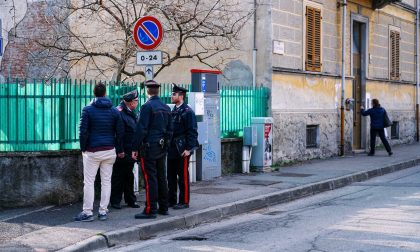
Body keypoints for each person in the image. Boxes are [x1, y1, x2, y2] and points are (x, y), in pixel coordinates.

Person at [75, 82, 124, 222]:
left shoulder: (87, 110)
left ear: (94, 93)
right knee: (106, 182)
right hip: (109, 150)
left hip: (92, 151)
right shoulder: (114, 111)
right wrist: (119, 149)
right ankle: (103, 211)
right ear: (105, 93)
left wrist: (83, 148)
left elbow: (83, 131)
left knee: (89, 182)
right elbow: (120, 133)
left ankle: (88, 211)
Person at [132, 80, 173, 219]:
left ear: (147, 91)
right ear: (158, 91)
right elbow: (170, 130)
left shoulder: (147, 107)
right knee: (162, 177)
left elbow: (141, 129)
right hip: (162, 147)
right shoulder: (166, 107)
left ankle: (150, 209)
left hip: (149, 148)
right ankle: (164, 207)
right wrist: (166, 144)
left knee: (151, 179)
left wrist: (134, 147)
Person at [167, 84, 199, 210]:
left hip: (182, 149)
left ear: (181, 96)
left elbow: (192, 132)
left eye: (174, 94)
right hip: (172, 148)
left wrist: (188, 149)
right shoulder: (173, 110)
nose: (172, 96)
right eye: (172, 93)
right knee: (171, 176)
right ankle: (172, 200)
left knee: (183, 176)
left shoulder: (187, 112)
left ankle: (184, 201)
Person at [110, 90, 140, 209]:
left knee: (128, 175)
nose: (137, 103)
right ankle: (115, 201)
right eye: (136, 101)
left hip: (130, 149)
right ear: (131, 102)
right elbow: (118, 134)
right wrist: (120, 150)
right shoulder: (120, 112)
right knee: (118, 175)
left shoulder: (130, 112)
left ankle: (130, 200)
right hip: (123, 150)